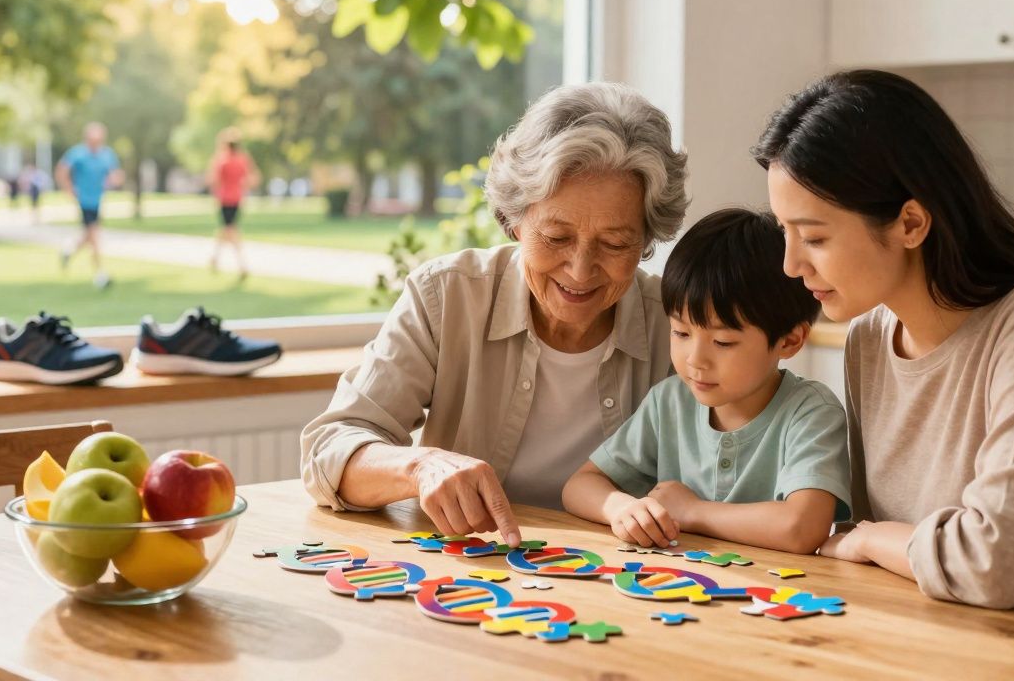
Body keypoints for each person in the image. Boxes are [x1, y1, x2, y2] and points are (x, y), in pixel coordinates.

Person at [754, 69, 1014, 611]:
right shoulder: (869, 339)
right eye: (784, 232)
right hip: (946, 634)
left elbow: (1005, 564)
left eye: (813, 236)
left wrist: (873, 539)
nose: (790, 264)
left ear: (910, 223)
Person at [300, 82, 689, 545]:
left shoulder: (680, 324)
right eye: (557, 237)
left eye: (615, 243)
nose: (580, 270)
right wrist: (420, 466)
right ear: (515, 221)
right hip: (474, 569)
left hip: (626, 574)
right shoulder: (446, 296)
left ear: (647, 241)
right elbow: (331, 449)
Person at [562, 208, 850, 552]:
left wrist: (692, 511)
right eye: (681, 332)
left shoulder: (811, 412)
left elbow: (802, 528)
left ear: (789, 341)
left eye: (723, 342)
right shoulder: (669, 402)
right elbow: (579, 486)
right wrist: (621, 508)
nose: (695, 359)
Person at [56, 122, 122, 289]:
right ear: (87, 138)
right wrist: (69, 189)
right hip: (84, 200)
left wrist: (114, 180)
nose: (96, 142)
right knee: (95, 237)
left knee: (90, 236)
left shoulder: (107, 154)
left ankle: (69, 251)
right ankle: (100, 275)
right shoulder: (77, 153)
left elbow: (115, 174)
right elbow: (62, 171)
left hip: (98, 199)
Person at [207, 128, 259, 280]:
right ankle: (217, 259)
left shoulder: (222, 160)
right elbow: (253, 178)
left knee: (230, 230)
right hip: (237, 199)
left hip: (225, 199)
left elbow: (213, 180)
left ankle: (240, 265)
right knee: (227, 229)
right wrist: (242, 186)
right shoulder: (242, 160)